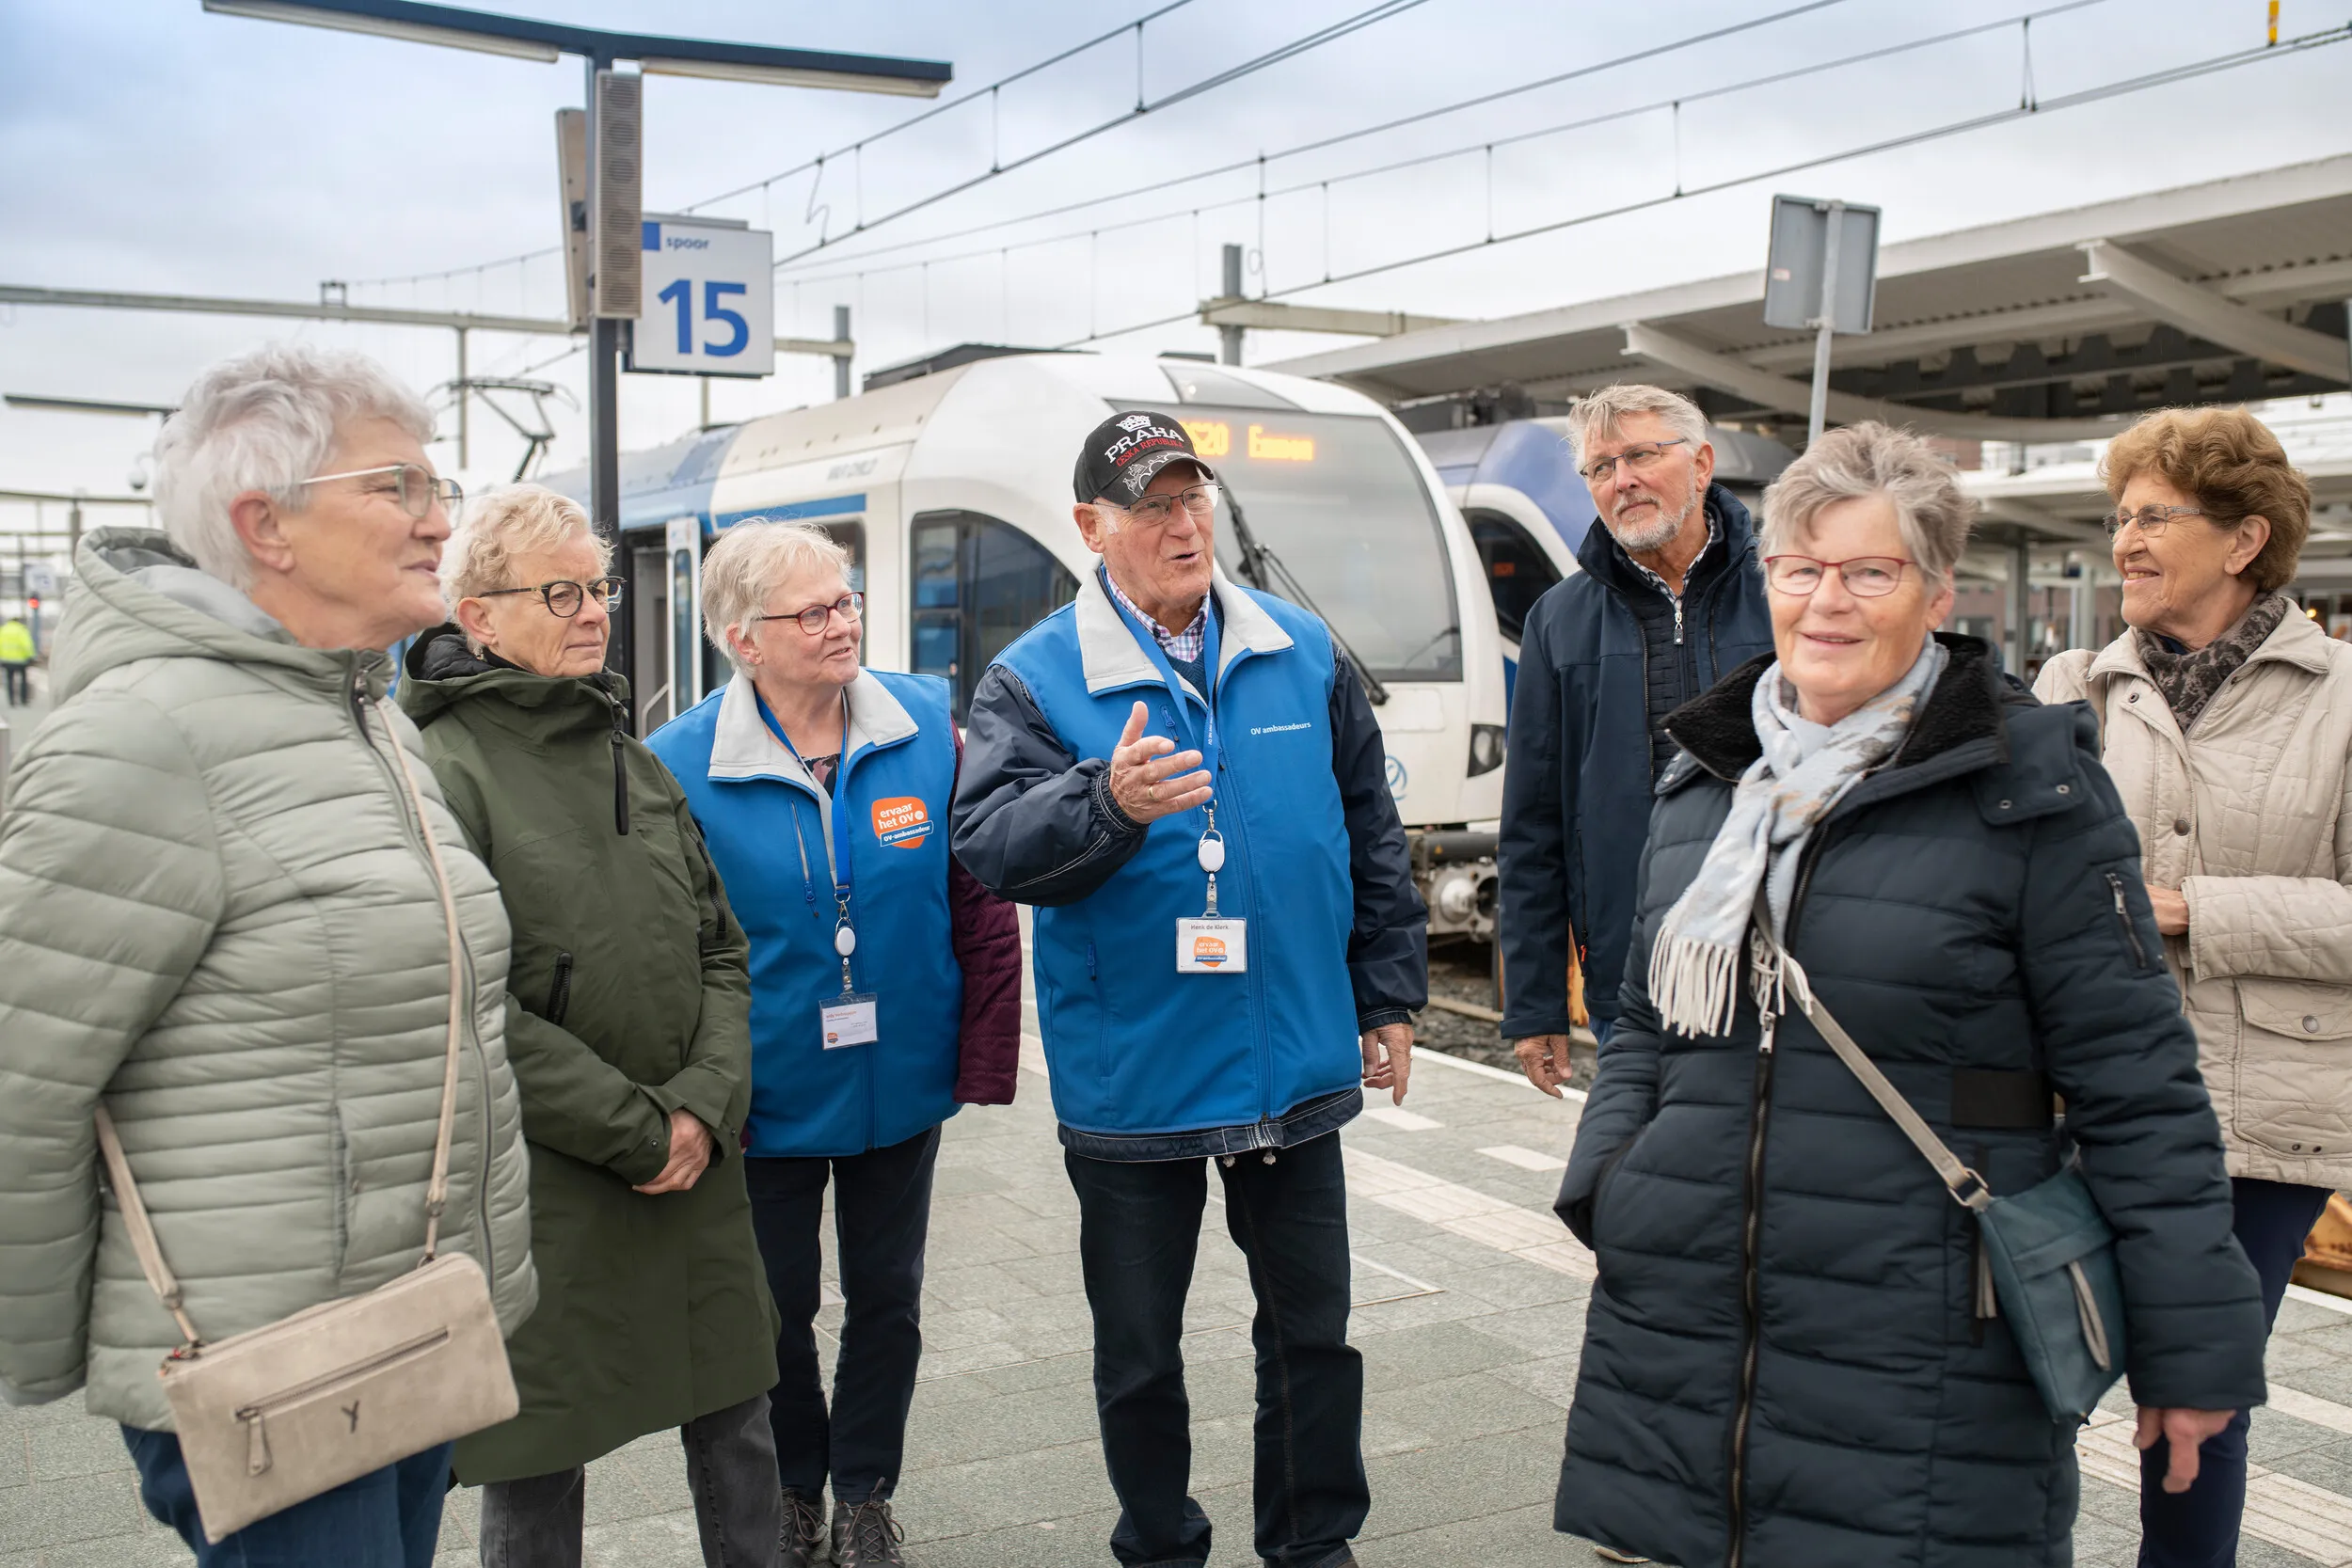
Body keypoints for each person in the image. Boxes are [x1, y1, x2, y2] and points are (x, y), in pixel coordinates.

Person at [1551, 421, 2268, 1568]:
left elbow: (2136, 1084)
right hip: (1681, 1341)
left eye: (1869, 571)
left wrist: (2192, 1351)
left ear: (1935, 593)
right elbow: (1642, 1017)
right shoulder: (1705, 777)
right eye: (1802, 568)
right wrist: (1613, 1186)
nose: (1826, 601)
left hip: (1926, 1350)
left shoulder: (2029, 789)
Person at [0, 342, 537, 1567]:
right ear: (266, 524)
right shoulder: (143, 740)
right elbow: (24, 1073)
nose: (439, 518)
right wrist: (40, 1350)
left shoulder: (359, 716)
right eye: (397, 486)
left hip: (405, 1325)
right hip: (268, 1363)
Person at [950, 410, 1427, 1568]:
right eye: (1154, 506)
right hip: (1136, 1072)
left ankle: (1314, 1542)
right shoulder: (1033, 679)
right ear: (1090, 527)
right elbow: (989, 844)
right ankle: (1160, 1541)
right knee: (1139, 1349)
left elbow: (1371, 829)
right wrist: (1105, 803)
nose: (1183, 524)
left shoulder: (1300, 649)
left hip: (1295, 1052)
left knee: (1314, 1335)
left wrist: (1387, 993)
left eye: (1194, 500)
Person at [397, 485, 787, 1568]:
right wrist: (643, 1129)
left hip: (689, 1155)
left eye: (597, 586)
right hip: (550, 1180)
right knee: (536, 1457)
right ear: (476, 614)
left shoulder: (630, 751)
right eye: (559, 590)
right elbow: (468, 997)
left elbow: (721, 946)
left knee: (738, 1423)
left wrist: (701, 1106)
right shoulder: (442, 768)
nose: (593, 610)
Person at [648, 521, 1023, 1568]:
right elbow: (673, 948)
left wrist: (981, 1054)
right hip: (761, 1090)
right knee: (778, 1307)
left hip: (899, 1074)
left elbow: (977, 898)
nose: (840, 623)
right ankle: (794, 1486)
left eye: (846, 600)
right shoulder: (676, 764)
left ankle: (865, 1491)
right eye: (811, 611)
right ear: (741, 638)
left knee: (889, 1297)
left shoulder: (920, 723)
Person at [2034, 405, 2351, 1568]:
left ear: (2244, 539)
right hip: (2079, 1096)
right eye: (2118, 515)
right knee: (2030, 1371)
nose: (2124, 538)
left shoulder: (2342, 697)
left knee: (2195, 1405)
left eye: (2154, 515)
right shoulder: (2072, 681)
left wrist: (2192, 906)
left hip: (2258, 1118)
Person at [1500, 385, 1774, 1108]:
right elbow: (1532, 824)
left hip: (1779, 955)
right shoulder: (1557, 622)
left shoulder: (1787, 592)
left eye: (1643, 455)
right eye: (1601, 467)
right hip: (1633, 976)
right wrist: (1534, 1006)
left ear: (1703, 462)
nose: (1622, 481)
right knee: (1657, 1188)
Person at [0, 612, 33, 705]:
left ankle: (11, 700)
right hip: (20, 661)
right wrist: (30, 656)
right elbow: (27, 645)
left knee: (9, 680)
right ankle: (23, 699)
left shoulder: (3, 630)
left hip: (6, 660)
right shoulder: (21, 630)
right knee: (23, 679)